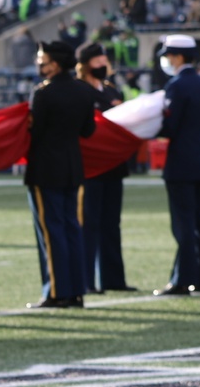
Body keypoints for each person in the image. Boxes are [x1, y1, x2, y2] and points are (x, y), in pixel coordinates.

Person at [24, 40, 95, 309]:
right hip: (73, 167)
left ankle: (56, 291)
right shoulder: (83, 91)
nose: (39, 64)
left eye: (42, 60)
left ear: (54, 63)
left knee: (51, 232)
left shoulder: (43, 93)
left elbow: (36, 132)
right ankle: (76, 290)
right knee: (71, 230)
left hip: (45, 169)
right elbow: (88, 131)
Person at [154, 34, 200, 296]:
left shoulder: (177, 86)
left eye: (169, 55)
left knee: (184, 224)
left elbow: (170, 126)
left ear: (178, 56)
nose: (167, 61)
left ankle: (183, 279)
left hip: (182, 163)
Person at [76, 42, 135, 294]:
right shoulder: (79, 91)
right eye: (98, 61)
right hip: (89, 168)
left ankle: (114, 280)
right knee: (88, 224)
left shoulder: (112, 90)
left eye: (104, 60)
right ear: (86, 64)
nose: (103, 64)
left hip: (113, 167)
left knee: (112, 224)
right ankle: (86, 280)